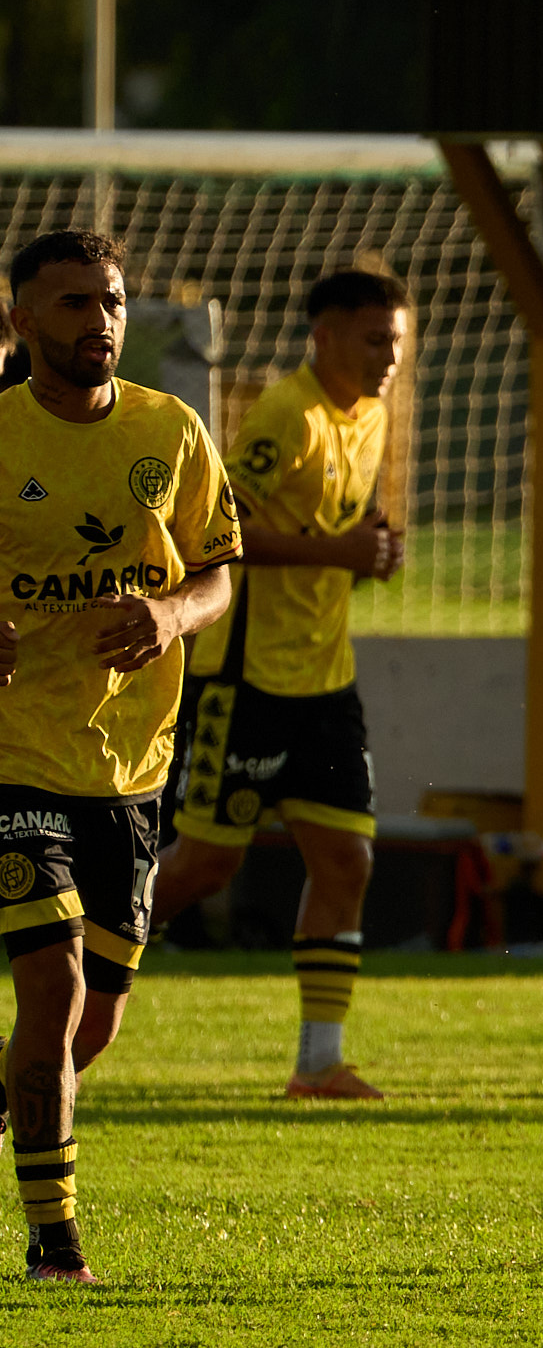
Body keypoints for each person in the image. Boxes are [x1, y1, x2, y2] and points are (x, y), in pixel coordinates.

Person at [0, 229, 241, 1282]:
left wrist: (169, 615)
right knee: (47, 989)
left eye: (111, 301)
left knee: (90, 1025)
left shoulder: (170, 428)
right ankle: (57, 1249)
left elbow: (222, 570)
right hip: (15, 755)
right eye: (71, 304)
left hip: (133, 763)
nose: (98, 321)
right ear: (20, 321)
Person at [148, 269, 407, 1099]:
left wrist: (369, 548)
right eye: (374, 340)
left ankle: (318, 1063)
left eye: (397, 341)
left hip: (327, 678)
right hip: (247, 680)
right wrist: (340, 554)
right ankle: (65, 974)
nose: (389, 357)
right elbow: (216, 537)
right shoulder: (281, 418)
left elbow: (333, 531)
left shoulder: (370, 414)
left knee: (346, 860)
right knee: (200, 871)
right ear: (323, 337)